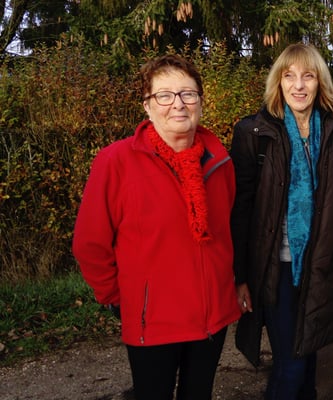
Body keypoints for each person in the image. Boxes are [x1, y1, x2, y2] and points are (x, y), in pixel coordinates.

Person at [72, 54, 240, 400]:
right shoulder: (116, 161)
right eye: (164, 95)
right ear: (147, 106)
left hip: (212, 317)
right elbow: (90, 243)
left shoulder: (220, 160)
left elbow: (229, 231)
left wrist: (233, 282)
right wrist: (116, 298)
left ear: (200, 102)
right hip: (154, 319)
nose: (178, 104)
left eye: (188, 94)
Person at [230, 43, 333, 400]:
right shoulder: (254, 132)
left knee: (309, 353)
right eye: (289, 76)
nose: (298, 85)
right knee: (291, 365)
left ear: (320, 82)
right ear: (278, 81)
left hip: (320, 261)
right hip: (275, 267)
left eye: (308, 76)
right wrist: (240, 276)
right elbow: (240, 209)